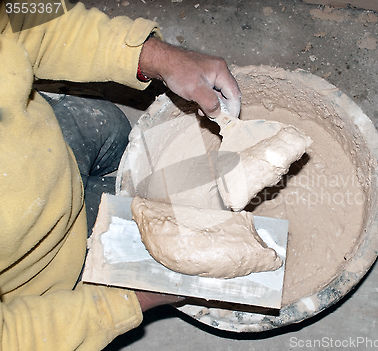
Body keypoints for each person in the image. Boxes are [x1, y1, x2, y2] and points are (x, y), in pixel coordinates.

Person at [0, 1, 240, 350]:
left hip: (41, 148)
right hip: (41, 267)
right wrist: (127, 301)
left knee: (112, 127)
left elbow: (22, 19)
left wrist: (154, 56)